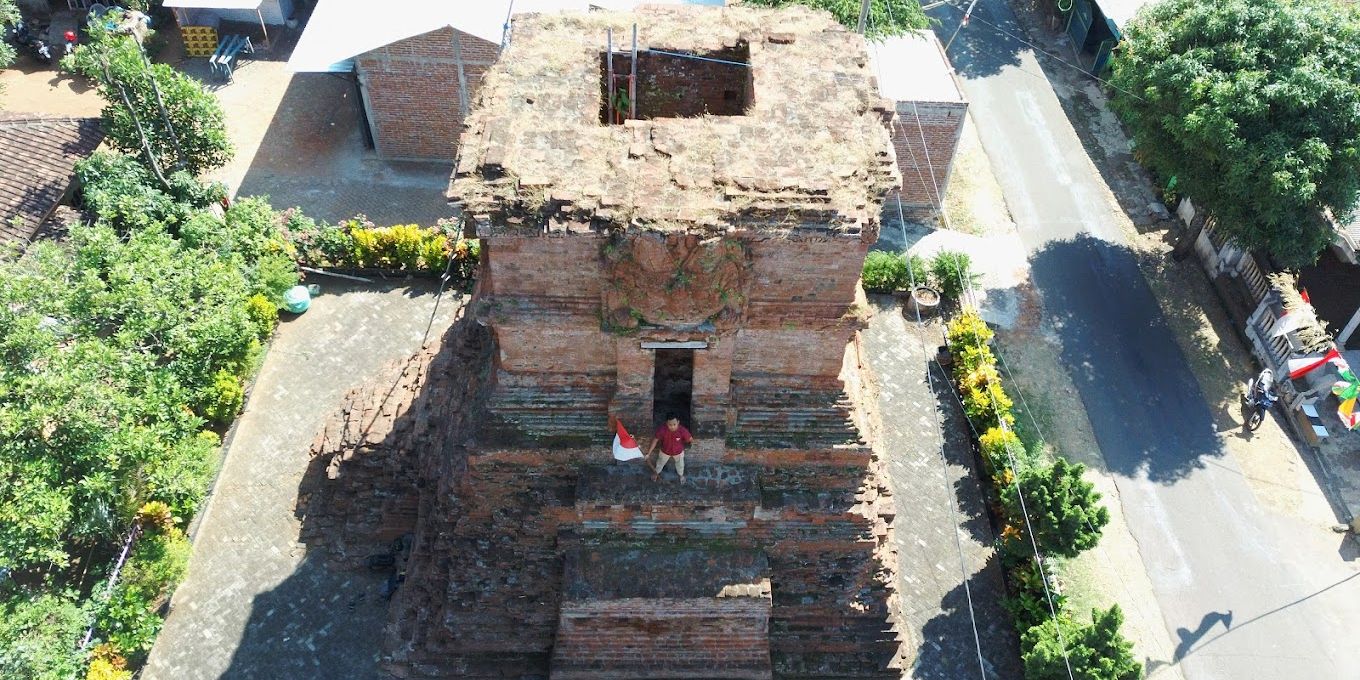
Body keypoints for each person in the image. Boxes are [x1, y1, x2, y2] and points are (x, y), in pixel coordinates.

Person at [648, 413, 692, 483]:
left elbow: (690, 439)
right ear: (666, 423)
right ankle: (656, 473)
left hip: (678, 452)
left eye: (674, 424)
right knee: (659, 463)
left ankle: (681, 475)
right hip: (665, 451)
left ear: (678, 422)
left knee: (680, 465)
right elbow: (655, 440)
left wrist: (686, 442)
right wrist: (648, 453)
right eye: (670, 425)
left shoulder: (683, 431)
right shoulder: (662, 430)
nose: (672, 427)